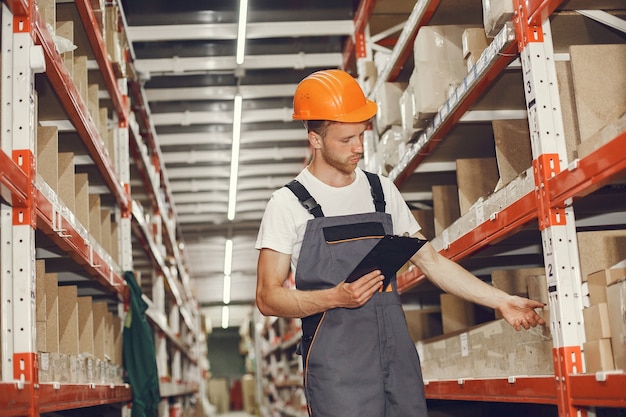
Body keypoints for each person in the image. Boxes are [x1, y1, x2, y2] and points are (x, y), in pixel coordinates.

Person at [255, 69, 545, 417]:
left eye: (361, 136)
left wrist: (502, 301)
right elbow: (267, 296)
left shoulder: (381, 191)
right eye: (346, 139)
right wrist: (335, 297)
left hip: (396, 358)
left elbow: (432, 263)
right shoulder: (287, 203)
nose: (358, 148)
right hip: (337, 368)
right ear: (315, 139)